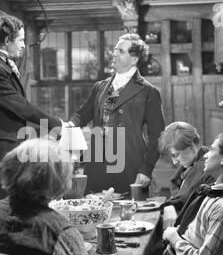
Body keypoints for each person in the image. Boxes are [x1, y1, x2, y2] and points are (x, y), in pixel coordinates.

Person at [0, 14, 63, 215]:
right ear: (6, 41)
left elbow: (13, 112)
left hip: (6, 140)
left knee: (10, 205)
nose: (23, 44)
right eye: (20, 39)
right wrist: (56, 124)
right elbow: (20, 106)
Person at [68, 33, 165, 194]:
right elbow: (82, 114)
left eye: (120, 51)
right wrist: (70, 124)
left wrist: (146, 169)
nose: (114, 53)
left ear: (134, 59)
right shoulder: (100, 86)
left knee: (130, 213)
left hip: (129, 162)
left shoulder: (149, 91)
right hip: (97, 161)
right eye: (115, 49)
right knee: (93, 208)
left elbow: (157, 135)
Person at [158, 121, 214, 230]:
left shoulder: (204, 165)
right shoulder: (194, 163)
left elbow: (184, 199)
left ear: (192, 146)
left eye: (176, 155)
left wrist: (170, 205)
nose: (174, 162)